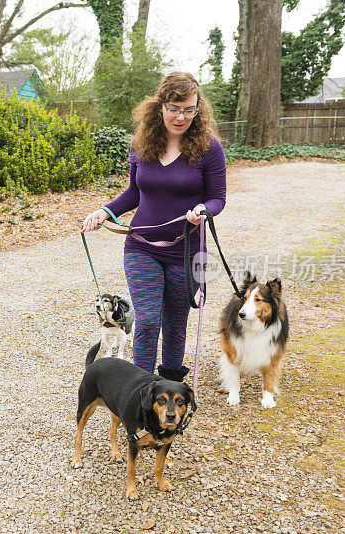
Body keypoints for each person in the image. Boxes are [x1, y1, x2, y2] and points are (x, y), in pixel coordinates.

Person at [81, 72, 226, 382]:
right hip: (141, 247)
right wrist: (105, 211)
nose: (181, 116)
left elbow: (217, 199)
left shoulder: (209, 148)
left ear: (198, 109)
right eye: (174, 108)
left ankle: (171, 387)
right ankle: (141, 391)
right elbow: (133, 192)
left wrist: (203, 209)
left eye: (189, 109)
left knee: (175, 323)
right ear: (160, 106)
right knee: (147, 322)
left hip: (185, 252)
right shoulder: (141, 143)